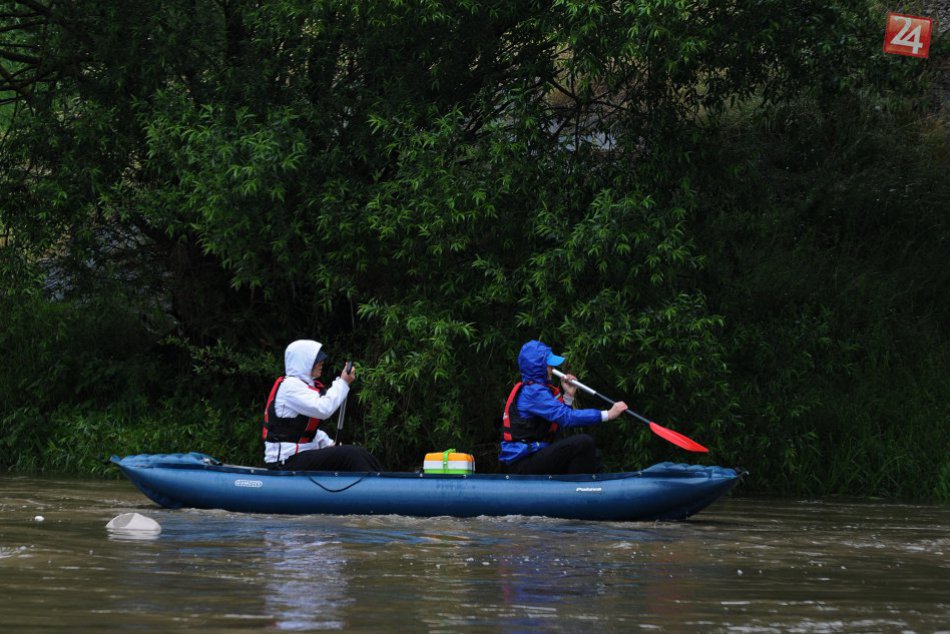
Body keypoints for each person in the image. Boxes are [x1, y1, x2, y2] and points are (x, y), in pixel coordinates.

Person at [499, 339, 628, 475]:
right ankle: (577, 492)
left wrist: (568, 395)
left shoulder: (538, 390)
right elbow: (566, 418)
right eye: (549, 365)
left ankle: (597, 491)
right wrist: (608, 414)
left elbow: (556, 423)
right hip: (522, 462)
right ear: (538, 366)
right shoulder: (533, 392)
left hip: (534, 455)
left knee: (594, 455)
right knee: (583, 443)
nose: (553, 369)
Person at [263, 339, 382, 472]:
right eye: (316, 360)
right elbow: (323, 409)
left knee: (361, 453)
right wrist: (343, 382)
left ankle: (384, 483)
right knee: (351, 455)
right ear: (303, 363)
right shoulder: (290, 387)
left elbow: (305, 430)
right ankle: (376, 489)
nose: (321, 363)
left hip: (300, 456)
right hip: (285, 461)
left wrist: (328, 443)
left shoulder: (304, 386)